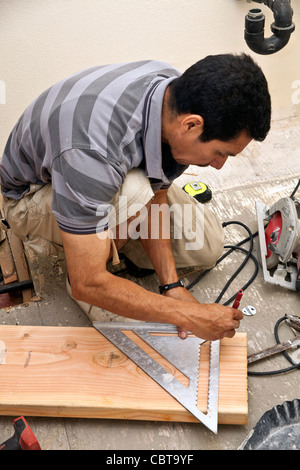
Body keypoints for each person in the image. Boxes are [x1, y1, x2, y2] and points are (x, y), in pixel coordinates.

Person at [0, 53, 271, 340]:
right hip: (31, 198)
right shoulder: (92, 151)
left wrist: (171, 287)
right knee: (132, 194)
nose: (219, 165)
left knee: (207, 245)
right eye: (220, 153)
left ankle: (111, 239)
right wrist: (184, 314)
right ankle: (91, 260)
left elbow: (157, 193)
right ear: (191, 125)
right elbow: (87, 281)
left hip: (97, 175)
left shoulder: (172, 93)